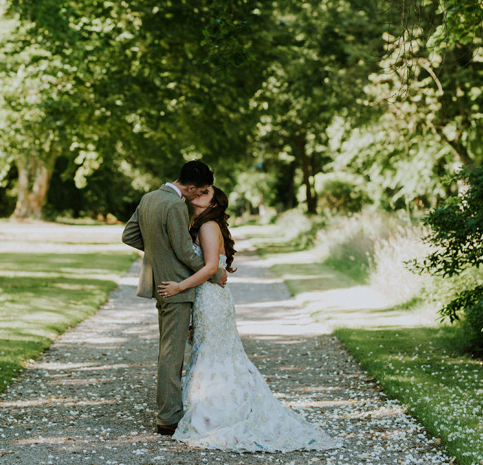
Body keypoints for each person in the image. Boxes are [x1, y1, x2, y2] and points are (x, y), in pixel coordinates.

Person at [157, 186, 341, 452]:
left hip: (211, 299)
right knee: (211, 351)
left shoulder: (208, 226)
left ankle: (221, 410)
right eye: (199, 191)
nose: (198, 194)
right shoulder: (201, 224)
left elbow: (210, 267)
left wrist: (178, 287)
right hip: (208, 298)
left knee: (216, 353)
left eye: (206, 193)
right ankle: (214, 404)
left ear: (214, 204)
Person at [121, 160, 227, 436]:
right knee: (172, 353)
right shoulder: (175, 205)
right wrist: (215, 273)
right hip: (176, 287)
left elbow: (129, 235)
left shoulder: (149, 198)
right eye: (201, 190)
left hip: (160, 282)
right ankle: (167, 417)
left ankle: (170, 410)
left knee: (169, 348)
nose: (201, 195)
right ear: (190, 187)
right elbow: (184, 251)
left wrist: (158, 249)